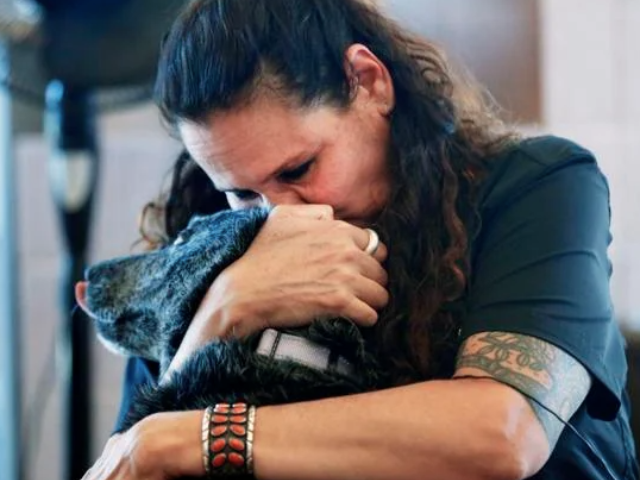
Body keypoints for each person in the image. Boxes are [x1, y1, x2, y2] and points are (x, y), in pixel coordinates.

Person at [78, 0, 639, 479]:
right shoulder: (205, 254)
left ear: (370, 83)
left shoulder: (536, 185)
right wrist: (225, 308)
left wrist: (203, 436)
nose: (279, 220)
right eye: (242, 193)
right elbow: (133, 461)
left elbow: (504, 434)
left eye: (298, 170)